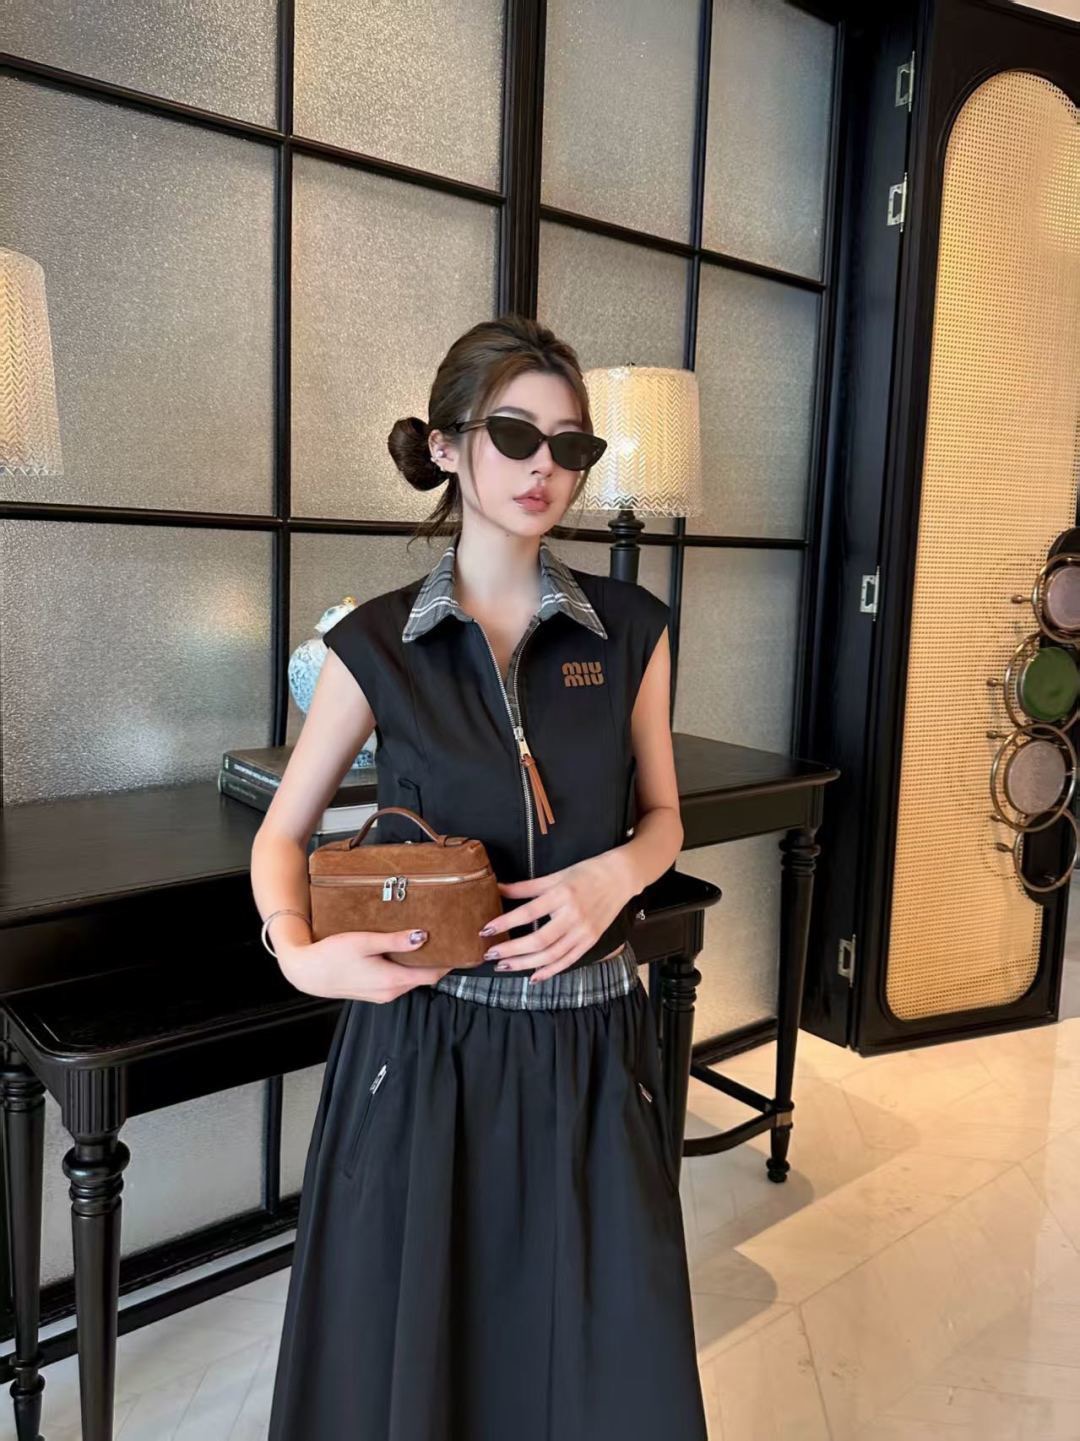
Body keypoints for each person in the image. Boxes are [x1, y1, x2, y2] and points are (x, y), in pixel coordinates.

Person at [251, 314, 708, 1440]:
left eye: (571, 445)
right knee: (422, 1367)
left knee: (605, 1363)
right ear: (449, 446)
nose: (545, 466)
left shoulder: (633, 630)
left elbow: (664, 820)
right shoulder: (377, 646)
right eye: (514, 435)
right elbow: (283, 834)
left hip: (591, 1044)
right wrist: (300, 955)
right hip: (424, 1050)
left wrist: (613, 879)